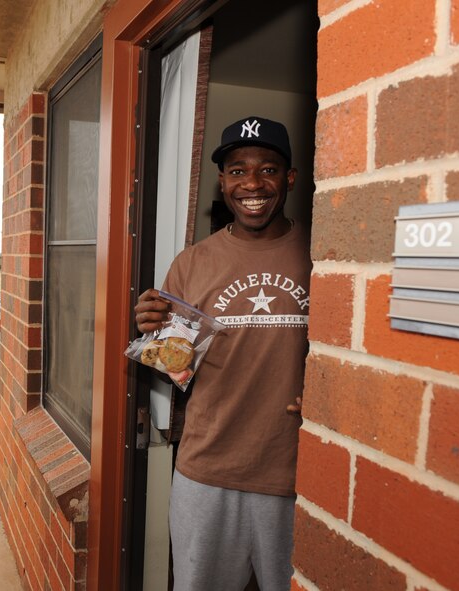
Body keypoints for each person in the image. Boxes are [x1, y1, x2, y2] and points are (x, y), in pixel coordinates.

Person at [134, 116, 311, 590]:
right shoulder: (192, 263)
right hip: (207, 470)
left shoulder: (324, 256)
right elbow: (176, 365)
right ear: (222, 180)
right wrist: (151, 331)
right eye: (237, 170)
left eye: (268, 169)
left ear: (289, 178)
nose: (252, 183)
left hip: (299, 471)